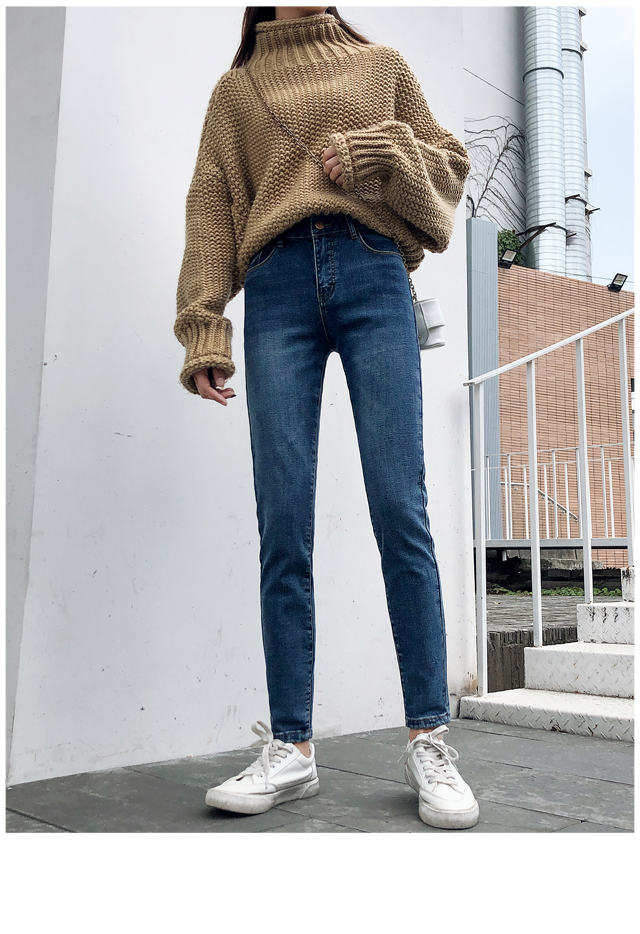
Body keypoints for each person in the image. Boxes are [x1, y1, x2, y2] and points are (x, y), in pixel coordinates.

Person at [174, 6, 479, 830]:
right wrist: (204, 325)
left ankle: (428, 739)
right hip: (275, 289)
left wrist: (381, 153)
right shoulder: (236, 91)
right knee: (283, 521)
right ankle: (292, 749)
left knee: (400, 507)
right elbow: (211, 207)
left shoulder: (382, 65)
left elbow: (450, 167)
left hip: (374, 274)